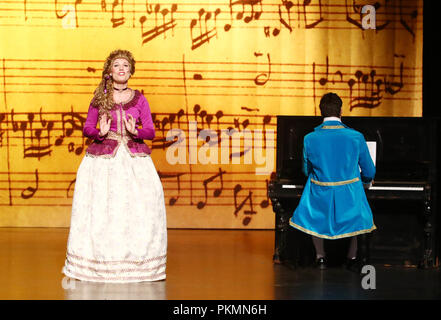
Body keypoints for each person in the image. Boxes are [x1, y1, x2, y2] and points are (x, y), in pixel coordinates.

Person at [62, 49, 167, 283]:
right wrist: (98, 131)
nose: (121, 69)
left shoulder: (139, 99)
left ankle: (138, 264)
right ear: (110, 70)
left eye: (126, 66)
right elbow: (86, 128)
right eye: (117, 65)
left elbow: (150, 131)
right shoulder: (100, 97)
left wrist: (135, 131)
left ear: (131, 71)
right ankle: (98, 263)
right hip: (103, 161)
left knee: (137, 210)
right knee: (103, 209)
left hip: (134, 159)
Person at [289, 92, 376, 271]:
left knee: (313, 204)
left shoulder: (309, 138)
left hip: (321, 193)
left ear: (320, 111)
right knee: (358, 213)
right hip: (349, 196)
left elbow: (306, 170)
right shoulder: (356, 136)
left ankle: (320, 256)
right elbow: (369, 171)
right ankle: (351, 257)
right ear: (341, 111)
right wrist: (365, 180)